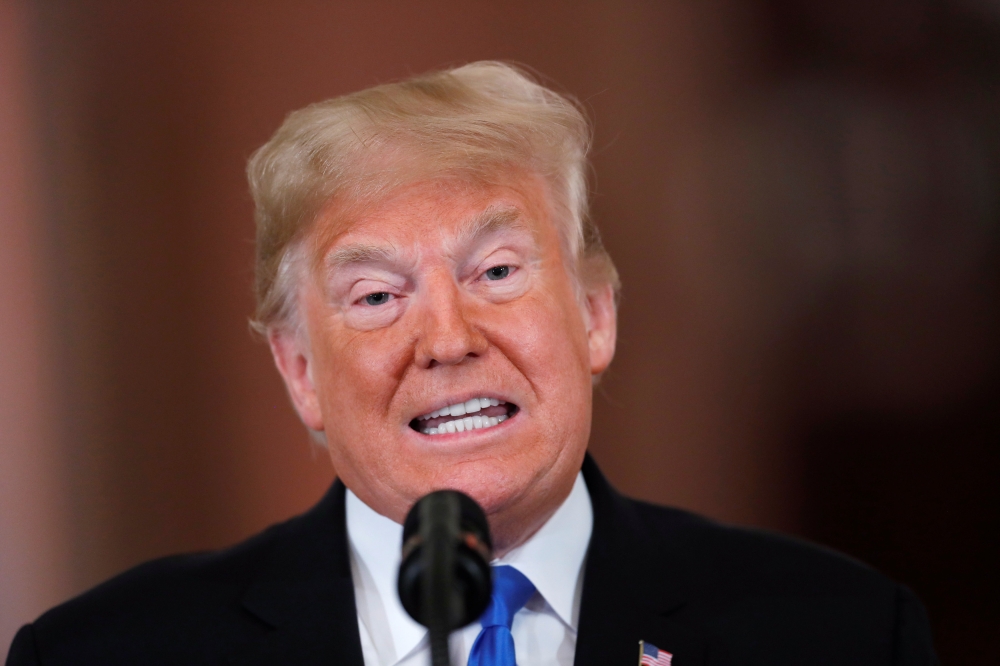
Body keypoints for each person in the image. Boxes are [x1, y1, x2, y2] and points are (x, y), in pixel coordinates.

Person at [5, 61, 938, 666]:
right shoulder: (105, 656)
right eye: (376, 296)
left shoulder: (841, 636)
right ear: (299, 371)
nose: (448, 339)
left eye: (495, 272)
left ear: (594, 316)